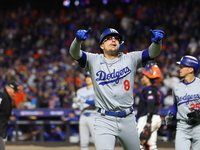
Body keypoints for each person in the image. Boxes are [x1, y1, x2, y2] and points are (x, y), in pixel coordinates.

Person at [69, 27, 164, 150]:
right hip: (104, 119)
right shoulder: (93, 60)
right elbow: (74, 53)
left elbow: (152, 53)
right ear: (102, 46)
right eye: (108, 38)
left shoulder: (131, 58)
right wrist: (77, 41)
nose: (113, 40)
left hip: (128, 118)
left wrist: (157, 43)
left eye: (116, 38)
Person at [165, 55, 200, 150]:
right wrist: (172, 113)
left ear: (191, 69)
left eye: (182, 67)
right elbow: (176, 103)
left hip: (198, 126)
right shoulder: (176, 86)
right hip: (182, 126)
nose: (179, 69)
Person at [136, 63, 163, 150]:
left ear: (149, 78)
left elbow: (150, 106)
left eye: (144, 76)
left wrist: (148, 122)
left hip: (147, 118)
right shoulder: (155, 89)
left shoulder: (149, 90)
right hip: (154, 118)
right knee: (151, 145)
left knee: (137, 144)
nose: (142, 78)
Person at [70, 72, 96, 150]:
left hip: (94, 115)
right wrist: (75, 104)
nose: (87, 78)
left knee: (97, 140)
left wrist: (82, 100)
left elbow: (97, 102)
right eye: (86, 77)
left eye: (89, 77)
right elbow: (78, 104)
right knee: (83, 142)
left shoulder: (98, 89)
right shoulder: (80, 91)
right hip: (83, 115)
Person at [0, 81, 19, 150]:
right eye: (14, 91)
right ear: (8, 88)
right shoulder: (1, 95)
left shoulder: (7, 97)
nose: (14, 94)